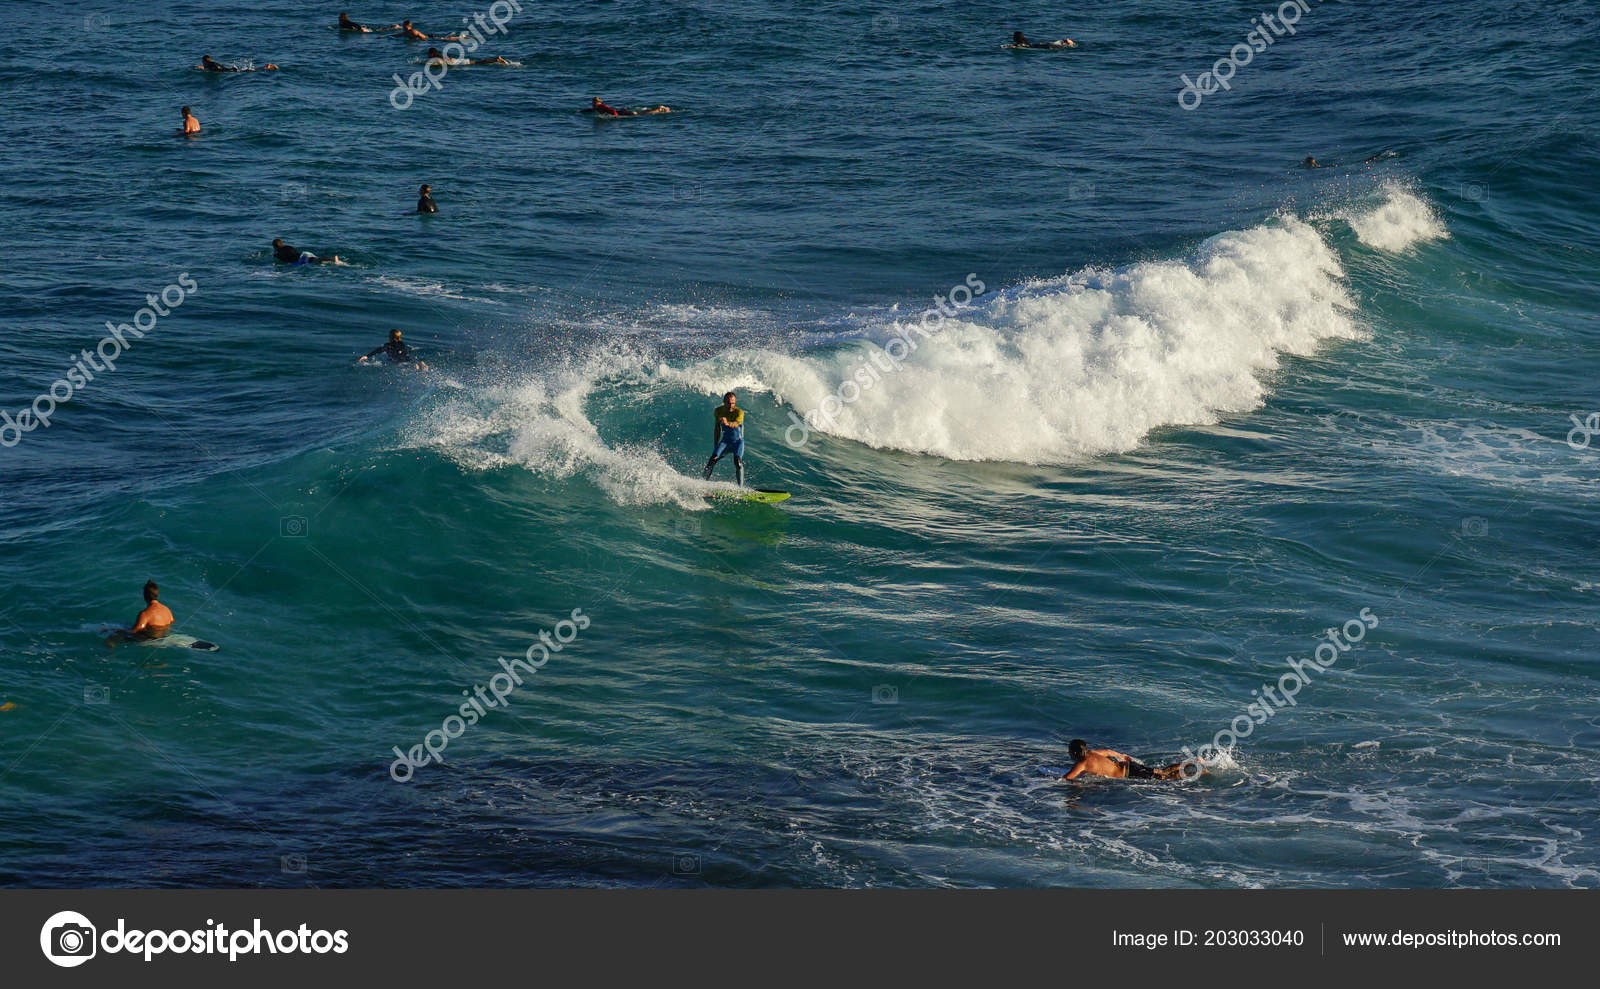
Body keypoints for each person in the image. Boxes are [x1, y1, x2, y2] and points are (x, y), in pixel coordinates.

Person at [1060, 739, 1189, 781]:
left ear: (1075, 753)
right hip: (1128, 765)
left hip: (1129, 773)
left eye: (1070, 752)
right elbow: (1109, 752)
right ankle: (1193, 763)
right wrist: (1122, 756)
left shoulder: (1081, 764)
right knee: (1162, 772)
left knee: (1165, 778)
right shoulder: (1092, 753)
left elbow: (1066, 779)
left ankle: (1196, 771)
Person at [109, 580, 174, 643]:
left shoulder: (145, 614)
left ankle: (108, 651)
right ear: (157, 594)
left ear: (144, 596)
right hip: (164, 635)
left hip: (151, 639)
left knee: (112, 637)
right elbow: (172, 622)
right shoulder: (167, 609)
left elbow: (134, 632)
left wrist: (114, 630)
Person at [703, 391, 746, 486]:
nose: (731, 405)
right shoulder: (718, 411)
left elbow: (736, 424)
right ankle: (703, 483)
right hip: (725, 442)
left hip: (737, 442)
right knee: (712, 460)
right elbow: (717, 428)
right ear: (724, 402)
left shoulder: (739, 412)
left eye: (733, 403)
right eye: (728, 403)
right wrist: (716, 445)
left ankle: (740, 488)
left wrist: (727, 423)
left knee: (738, 463)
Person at [360, 329, 428, 369]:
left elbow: (379, 350)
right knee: (410, 360)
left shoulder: (388, 345)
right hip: (406, 354)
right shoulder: (402, 343)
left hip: (397, 358)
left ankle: (416, 366)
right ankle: (419, 363)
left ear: (390, 337)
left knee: (402, 363)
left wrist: (367, 356)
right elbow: (408, 350)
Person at [271, 238, 340, 265]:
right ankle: (333, 259)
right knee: (317, 259)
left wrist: (275, 256)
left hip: (301, 259)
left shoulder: (279, 253)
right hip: (304, 254)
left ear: (275, 246)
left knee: (317, 260)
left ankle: (333, 259)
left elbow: (285, 260)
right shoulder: (288, 246)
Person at [588, 97, 671, 117]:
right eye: (593, 102)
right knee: (640, 112)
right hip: (621, 111)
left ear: (599, 102)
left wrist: (616, 117)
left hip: (622, 113)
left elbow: (612, 111)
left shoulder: (602, 106)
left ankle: (659, 109)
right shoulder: (596, 107)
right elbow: (590, 110)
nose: (593, 104)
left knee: (640, 114)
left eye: (595, 102)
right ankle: (659, 109)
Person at [425, 46, 509, 66]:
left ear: (432, 53)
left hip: (458, 62)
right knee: (479, 62)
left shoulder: (437, 57)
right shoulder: (439, 55)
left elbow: (440, 62)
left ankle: (496, 59)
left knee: (479, 63)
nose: (428, 55)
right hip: (458, 61)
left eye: (429, 53)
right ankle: (496, 59)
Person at [399, 20, 464, 41]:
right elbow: (399, 35)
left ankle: (461, 37)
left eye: (403, 25)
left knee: (445, 39)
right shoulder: (406, 32)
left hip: (430, 38)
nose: (402, 26)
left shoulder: (413, 31)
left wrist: (427, 41)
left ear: (407, 26)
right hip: (428, 36)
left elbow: (423, 38)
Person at [198, 54, 278, 71]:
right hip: (230, 69)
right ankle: (265, 67)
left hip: (230, 71)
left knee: (249, 71)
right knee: (249, 70)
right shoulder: (211, 64)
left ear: (204, 61)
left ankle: (266, 67)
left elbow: (216, 69)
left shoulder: (211, 65)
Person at [1008, 31, 1075, 49]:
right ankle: (1066, 41)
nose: (1012, 37)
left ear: (1016, 38)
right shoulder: (1025, 41)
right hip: (1042, 45)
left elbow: (1016, 46)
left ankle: (1066, 42)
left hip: (1042, 47)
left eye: (1013, 36)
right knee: (1058, 44)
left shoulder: (1019, 44)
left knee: (1058, 47)